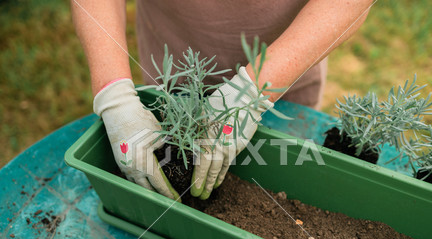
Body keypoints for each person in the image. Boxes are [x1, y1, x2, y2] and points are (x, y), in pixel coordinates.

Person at [71, 0, 373, 201]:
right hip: (174, 67)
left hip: (286, 73)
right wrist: (115, 96)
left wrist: (255, 93)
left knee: (281, 177)